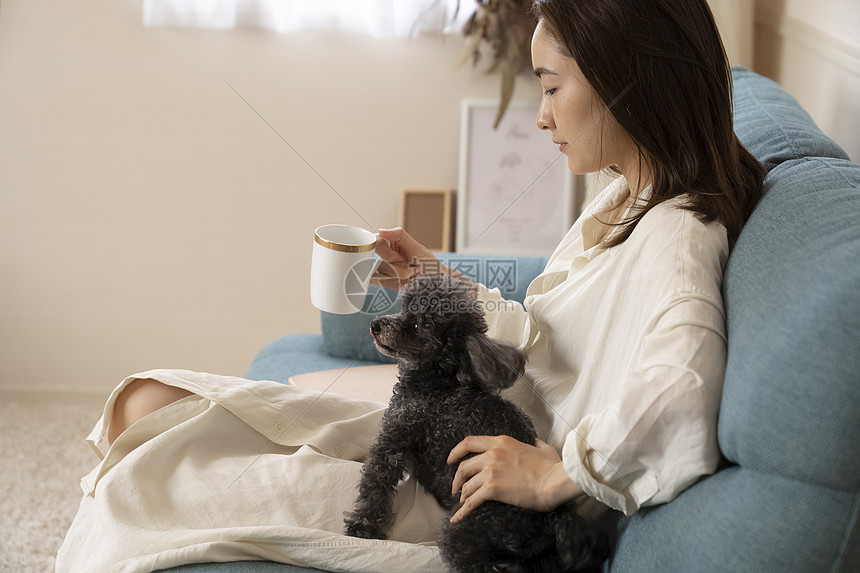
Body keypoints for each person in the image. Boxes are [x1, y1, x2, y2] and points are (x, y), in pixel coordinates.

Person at [55, 0, 764, 571]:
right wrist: (440, 281)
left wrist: (555, 474)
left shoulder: (678, 236)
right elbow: (555, 344)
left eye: (551, 87)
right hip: (458, 423)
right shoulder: (623, 199)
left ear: (623, 81)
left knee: (145, 484)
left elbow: (685, 390)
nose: (541, 114)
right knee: (148, 403)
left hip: (469, 486)